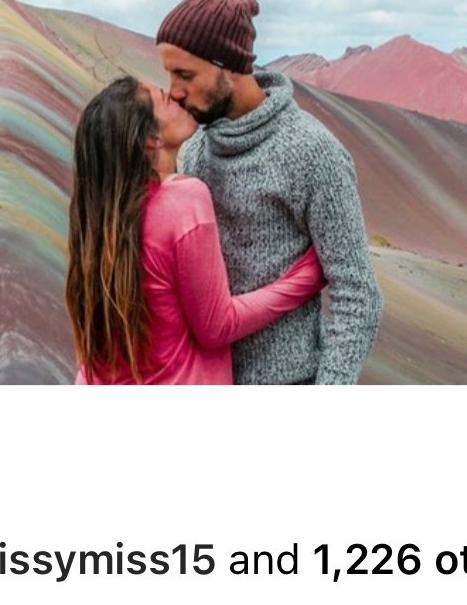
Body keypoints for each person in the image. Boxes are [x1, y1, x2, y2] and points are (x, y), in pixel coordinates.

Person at [157, 0, 382, 384]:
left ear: (228, 65)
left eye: (184, 74)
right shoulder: (197, 150)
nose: (174, 91)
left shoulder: (313, 152)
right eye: (169, 75)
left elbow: (357, 295)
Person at [67, 76, 325, 384]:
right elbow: (217, 326)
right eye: (165, 98)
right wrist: (310, 274)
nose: (176, 95)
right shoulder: (183, 198)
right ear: (152, 138)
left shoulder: (99, 222)